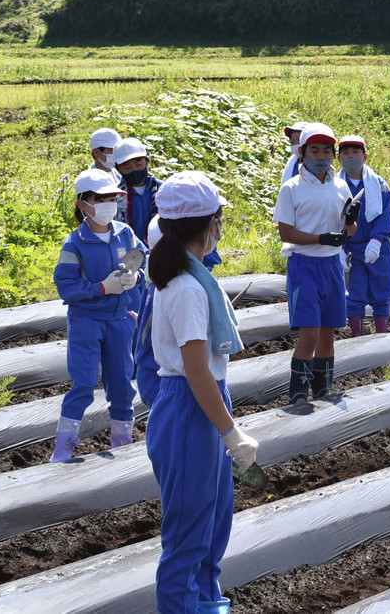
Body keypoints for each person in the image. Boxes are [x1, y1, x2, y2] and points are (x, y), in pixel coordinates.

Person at [146, 171, 257, 614]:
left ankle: (209, 606)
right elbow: (195, 371)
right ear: (212, 223)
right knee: (189, 539)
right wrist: (231, 433)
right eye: (221, 218)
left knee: (212, 530)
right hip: (189, 407)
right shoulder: (188, 289)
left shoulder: (189, 279)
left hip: (202, 403)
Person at [50, 169, 146, 462]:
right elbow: (66, 286)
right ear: (84, 205)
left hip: (120, 320)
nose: (109, 205)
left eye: (113, 198)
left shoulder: (125, 233)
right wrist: (101, 287)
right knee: (83, 383)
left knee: (121, 383)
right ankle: (63, 449)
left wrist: (136, 277)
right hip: (86, 322)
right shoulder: (74, 243)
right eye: (101, 199)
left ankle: (122, 443)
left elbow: (142, 260)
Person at [273, 123, 358, 405]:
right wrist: (320, 238)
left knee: (327, 334)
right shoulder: (292, 189)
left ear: (333, 155)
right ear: (302, 153)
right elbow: (285, 232)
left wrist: (349, 221)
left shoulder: (341, 186)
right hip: (304, 265)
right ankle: (298, 392)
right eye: (314, 150)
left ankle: (323, 389)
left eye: (326, 151)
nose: (320, 157)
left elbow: (349, 232)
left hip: (332, 266)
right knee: (308, 334)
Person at [132, 215, 221, 408]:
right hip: (170, 382)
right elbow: (195, 369)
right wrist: (230, 432)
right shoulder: (183, 289)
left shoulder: (161, 279)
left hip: (162, 378)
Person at [337, 134, 390, 335]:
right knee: (354, 292)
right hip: (352, 248)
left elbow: (385, 216)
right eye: (346, 153)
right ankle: (356, 337)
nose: (351, 157)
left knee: (382, 290)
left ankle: (382, 334)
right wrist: (340, 249)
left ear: (365, 156)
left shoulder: (378, 185)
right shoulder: (336, 187)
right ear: (339, 159)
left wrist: (377, 240)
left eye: (355, 152)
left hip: (377, 247)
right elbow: (333, 220)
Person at [113, 137, 162, 244]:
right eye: (127, 168)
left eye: (138, 164)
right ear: (118, 169)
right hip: (130, 254)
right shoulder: (115, 196)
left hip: (161, 249)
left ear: (147, 161)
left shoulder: (163, 189)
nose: (134, 170)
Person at [281, 122, 306, 186]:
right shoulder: (293, 162)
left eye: (299, 140)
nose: (296, 145)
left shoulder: (317, 164)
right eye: (293, 142)